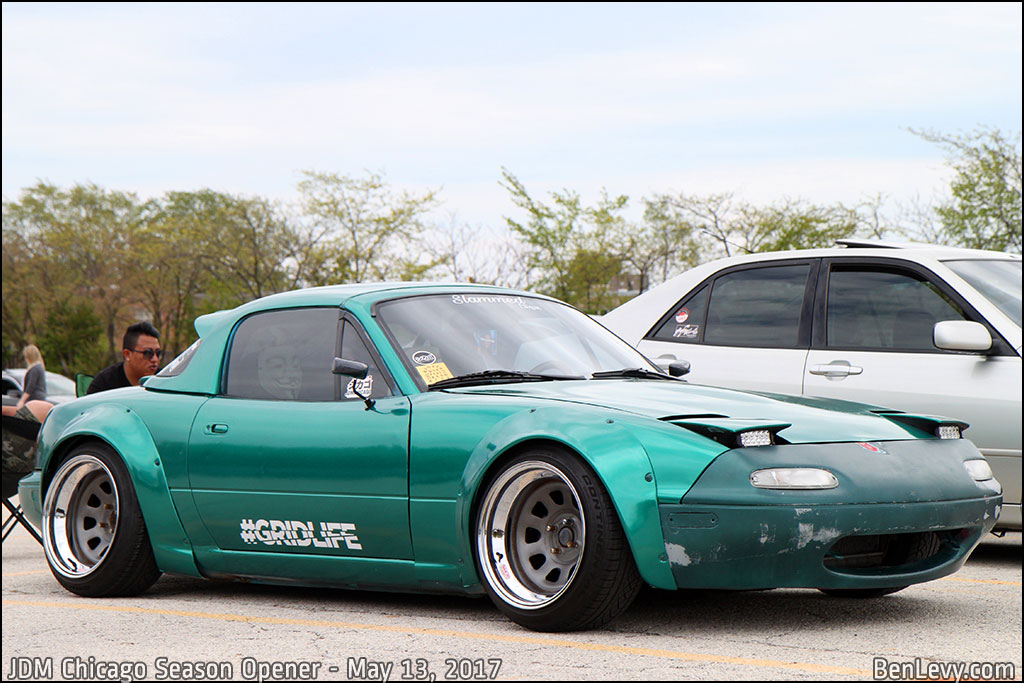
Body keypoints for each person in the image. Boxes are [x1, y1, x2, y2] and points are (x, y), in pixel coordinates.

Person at [87, 321, 163, 395]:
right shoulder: (104, 384)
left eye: (158, 353)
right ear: (127, 354)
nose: (155, 359)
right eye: (148, 353)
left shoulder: (163, 381)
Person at [15, 345, 47, 409]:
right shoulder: (40, 367)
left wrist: (22, 401)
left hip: (34, 399)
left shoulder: (34, 369)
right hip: (41, 398)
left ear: (29, 357)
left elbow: (30, 387)